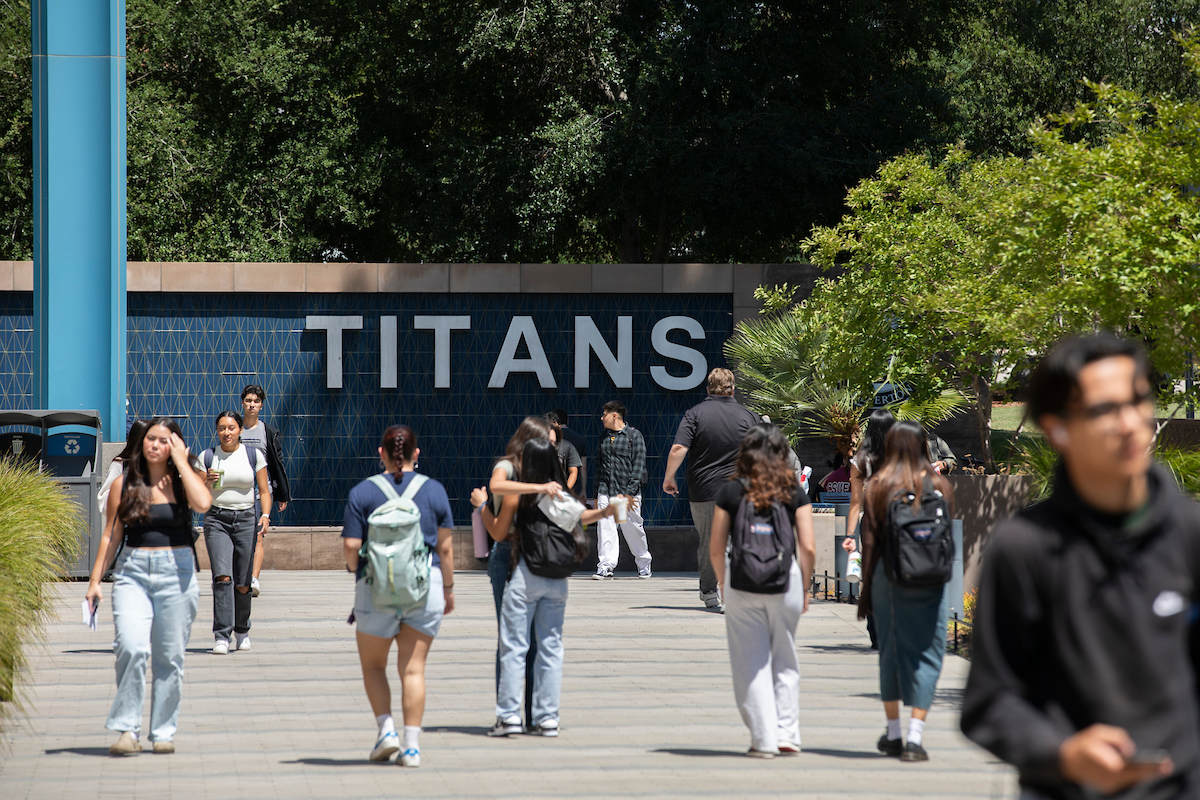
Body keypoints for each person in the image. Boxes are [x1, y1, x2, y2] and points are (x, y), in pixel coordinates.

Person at [962, 333, 1200, 799]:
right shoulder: (1024, 547)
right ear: (1057, 429)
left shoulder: (1190, 534)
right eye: (1104, 410)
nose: (1130, 422)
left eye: (1138, 401)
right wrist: (1063, 753)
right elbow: (990, 703)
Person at [84, 418, 213, 756]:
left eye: (164, 440)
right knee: (131, 646)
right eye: (151, 439)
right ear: (142, 443)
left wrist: (184, 461)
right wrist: (95, 581)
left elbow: (204, 504)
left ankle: (163, 732)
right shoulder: (124, 483)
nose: (156, 445)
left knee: (170, 656)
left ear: (175, 445)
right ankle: (128, 729)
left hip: (178, 572)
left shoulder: (184, 481)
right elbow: (111, 535)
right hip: (132, 572)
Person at [487, 438, 620, 737]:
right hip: (558, 580)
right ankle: (547, 719)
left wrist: (482, 507)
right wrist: (606, 512)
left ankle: (509, 718)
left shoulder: (521, 493)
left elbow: (497, 518)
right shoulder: (559, 494)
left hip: (525, 576)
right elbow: (581, 516)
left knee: (514, 648)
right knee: (550, 648)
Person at [342, 424, 455, 768]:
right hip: (425, 588)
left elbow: (350, 548)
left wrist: (356, 568)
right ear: (416, 454)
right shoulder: (434, 491)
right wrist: (448, 589)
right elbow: (447, 549)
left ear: (381, 453)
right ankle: (412, 747)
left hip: (375, 589)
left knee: (374, 666)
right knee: (413, 669)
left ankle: (386, 730)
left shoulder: (363, 492)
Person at [709, 424, 816, 757]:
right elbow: (808, 547)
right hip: (788, 580)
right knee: (785, 656)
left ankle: (764, 738)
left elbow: (715, 547)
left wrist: (723, 582)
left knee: (750, 663)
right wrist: (807, 587)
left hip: (742, 581)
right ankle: (787, 734)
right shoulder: (795, 492)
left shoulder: (731, 492)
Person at [856, 420, 955, 762]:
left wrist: (865, 590)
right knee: (929, 651)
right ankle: (915, 737)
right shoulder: (940, 484)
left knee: (892, 653)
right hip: (933, 577)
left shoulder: (879, 486)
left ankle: (894, 732)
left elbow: (869, 543)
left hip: (890, 577)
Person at [474, 416, 563, 728]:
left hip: (538, 556)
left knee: (538, 644)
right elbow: (497, 485)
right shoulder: (509, 466)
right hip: (508, 557)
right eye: (548, 442)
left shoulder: (543, 467)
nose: (552, 448)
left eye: (554, 444)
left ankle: (535, 715)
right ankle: (510, 715)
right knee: (512, 640)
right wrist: (485, 504)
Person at [663, 368, 760, 611]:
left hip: (704, 491)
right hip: (742, 490)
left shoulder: (695, 413)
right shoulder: (749, 415)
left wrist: (669, 477)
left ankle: (709, 592)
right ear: (733, 389)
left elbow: (678, 449)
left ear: (708, 389)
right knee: (741, 540)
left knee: (709, 541)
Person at [201, 411, 272, 655]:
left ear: (240, 429)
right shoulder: (208, 456)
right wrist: (208, 482)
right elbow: (199, 495)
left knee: (243, 583)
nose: (226, 432)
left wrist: (265, 515)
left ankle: (242, 630)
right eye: (222, 428)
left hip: (245, 520)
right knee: (222, 577)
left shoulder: (253, 455)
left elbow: (264, 490)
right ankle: (222, 635)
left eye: (231, 427)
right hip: (216, 520)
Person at [238, 384, 291, 597]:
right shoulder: (234, 427)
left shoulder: (267, 431)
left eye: (256, 402)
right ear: (242, 402)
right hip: (238, 492)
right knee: (240, 537)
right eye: (249, 401)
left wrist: (282, 494)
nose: (252, 405)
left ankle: (254, 578)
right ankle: (241, 574)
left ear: (261, 405)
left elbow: (277, 463)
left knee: (258, 536)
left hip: (261, 492)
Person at [593, 400, 652, 579]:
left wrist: (630, 492)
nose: (601, 418)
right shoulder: (604, 437)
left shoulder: (634, 435)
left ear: (614, 415)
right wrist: (596, 493)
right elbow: (599, 466)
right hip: (606, 490)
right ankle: (605, 566)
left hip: (627, 493)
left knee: (633, 529)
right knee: (605, 527)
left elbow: (639, 465)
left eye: (604, 414)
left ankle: (644, 564)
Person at [552, 407, 589, 502]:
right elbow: (583, 467)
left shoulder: (549, 439)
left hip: (551, 489)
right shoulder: (579, 439)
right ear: (567, 421)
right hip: (572, 488)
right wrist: (583, 490)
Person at [546, 413, 584, 499]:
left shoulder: (567, 446)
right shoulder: (537, 446)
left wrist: (565, 490)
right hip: (543, 492)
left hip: (561, 493)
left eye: (553, 427)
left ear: (559, 427)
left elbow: (573, 472)